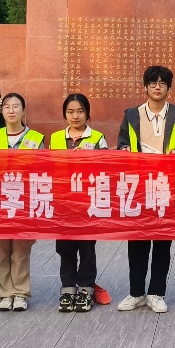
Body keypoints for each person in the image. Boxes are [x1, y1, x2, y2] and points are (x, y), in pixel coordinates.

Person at [117, 66, 175, 314]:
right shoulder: (132, 114)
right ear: (145, 87)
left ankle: (157, 293)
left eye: (162, 83)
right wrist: (125, 150)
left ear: (169, 87)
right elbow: (123, 143)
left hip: (166, 185)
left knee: (162, 242)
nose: (157, 87)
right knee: (137, 241)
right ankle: (136, 293)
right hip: (138, 186)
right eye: (153, 83)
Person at [0, 92, 44, 312]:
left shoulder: (36, 138)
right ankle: (5, 294)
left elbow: (42, 169)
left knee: (20, 250)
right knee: (1, 250)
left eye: (16, 106)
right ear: (2, 111)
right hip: (0, 201)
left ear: (24, 111)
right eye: (7, 106)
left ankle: (20, 293)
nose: (11, 110)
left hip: (24, 200)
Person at [51, 93, 107, 313]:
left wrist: (89, 158)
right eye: (70, 112)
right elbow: (46, 167)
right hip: (63, 202)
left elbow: (106, 169)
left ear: (87, 113)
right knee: (65, 249)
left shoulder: (98, 138)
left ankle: (85, 290)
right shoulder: (55, 138)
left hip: (87, 202)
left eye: (80, 111)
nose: (75, 116)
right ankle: (67, 290)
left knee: (87, 249)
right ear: (64, 114)